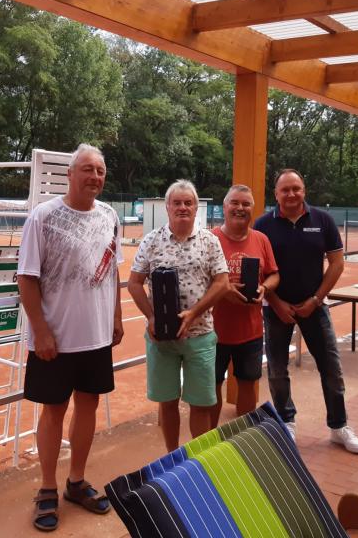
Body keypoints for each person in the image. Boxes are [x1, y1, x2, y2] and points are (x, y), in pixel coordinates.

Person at [17, 143, 124, 532]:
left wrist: (115, 317)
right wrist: (41, 330)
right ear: (70, 174)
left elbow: (113, 271)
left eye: (100, 171)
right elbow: (26, 278)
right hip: (55, 339)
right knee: (54, 410)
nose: (94, 176)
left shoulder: (110, 216)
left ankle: (75, 481)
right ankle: (47, 487)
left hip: (95, 337)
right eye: (87, 169)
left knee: (88, 405)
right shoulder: (43, 217)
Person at [254, 169, 358, 453]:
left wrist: (315, 300)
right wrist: (276, 303)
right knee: (277, 370)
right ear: (276, 194)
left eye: (296, 188)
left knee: (331, 368)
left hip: (315, 307)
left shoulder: (322, 220)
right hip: (276, 309)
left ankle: (339, 426)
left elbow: (337, 263)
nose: (291, 194)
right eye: (285, 190)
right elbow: (258, 271)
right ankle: (286, 422)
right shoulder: (263, 225)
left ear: (304, 190)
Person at [128, 180, 228, 451]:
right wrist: (151, 318)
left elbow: (222, 282)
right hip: (161, 338)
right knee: (167, 402)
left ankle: (198, 461)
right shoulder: (152, 240)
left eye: (188, 203)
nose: (183, 207)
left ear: (196, 208)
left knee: (201, 404)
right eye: (177, 203)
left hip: (200, 334)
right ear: (167, 207)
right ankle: (172, 456)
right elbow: (134, 282)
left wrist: (194, 313)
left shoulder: (210, 241)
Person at [210, 184, 279, 427]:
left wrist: (264, 288)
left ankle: (243, 436)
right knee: (212, 387)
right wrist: (224, 290)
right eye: (235, 203)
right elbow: (198, 280)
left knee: (248, 385)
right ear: (224, 207)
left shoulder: (261, 240)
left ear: (252, 209)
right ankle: (212, 439)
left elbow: (274, 274)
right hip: (212, 332)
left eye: (246, 204)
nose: (240, 208)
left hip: (250, 331)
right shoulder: (209, 239)